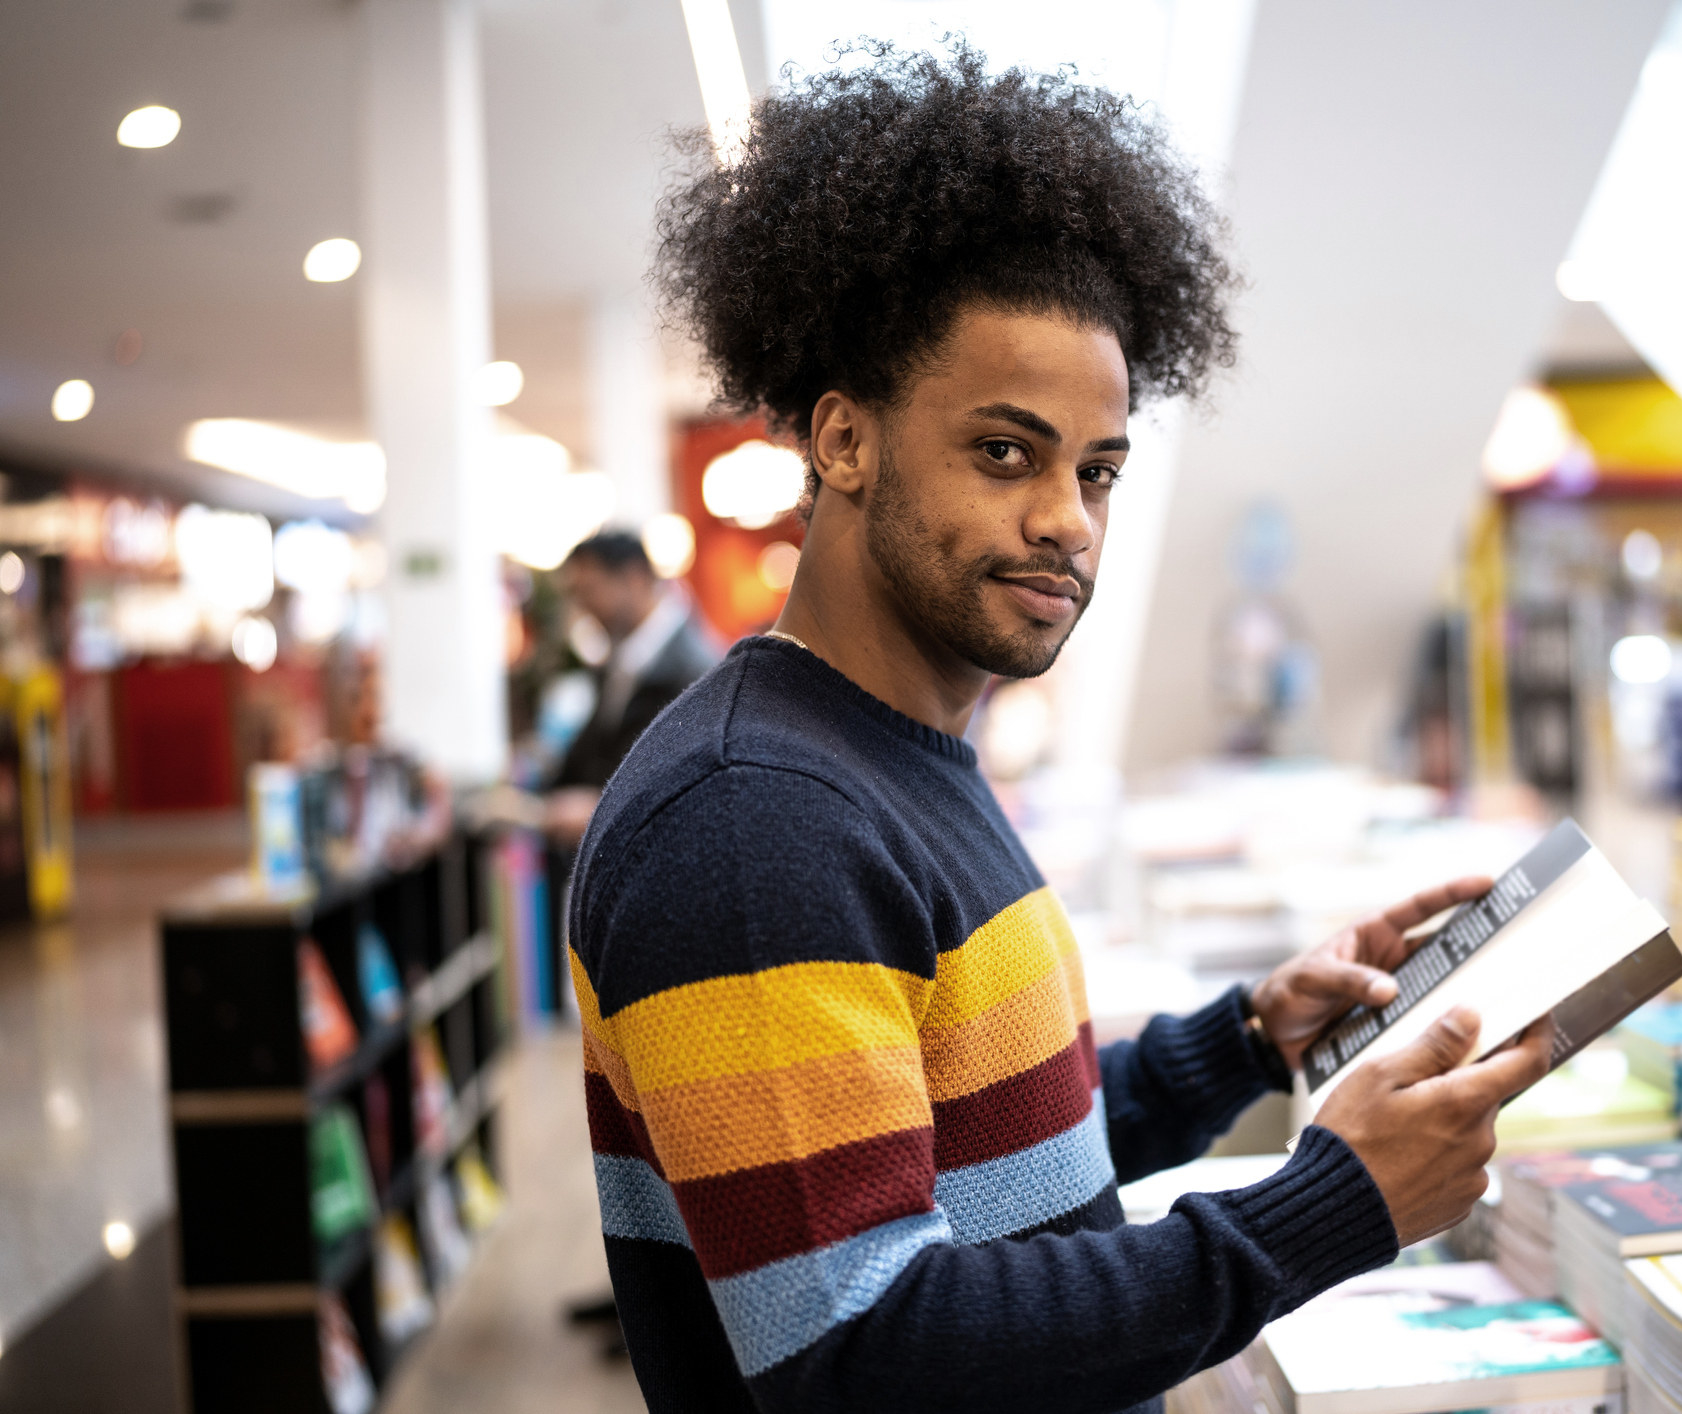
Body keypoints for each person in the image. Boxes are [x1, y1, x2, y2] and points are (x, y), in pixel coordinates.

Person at [568, 43, 1553, 1414]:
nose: (1066, 522)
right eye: (1004, 451)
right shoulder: (753, 819)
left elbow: (988, 1161)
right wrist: (1324, 1211)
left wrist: (1245, 1042)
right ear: (842, 441)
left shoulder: (896, 756)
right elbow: (857, 1347)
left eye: (1096, 471)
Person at [543, 529, 718, 844]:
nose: (584, 608)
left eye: (590, 590)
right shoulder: (619, 658)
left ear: (635, 577)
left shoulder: (695, 667)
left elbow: (693, 787)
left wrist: (597, 809)